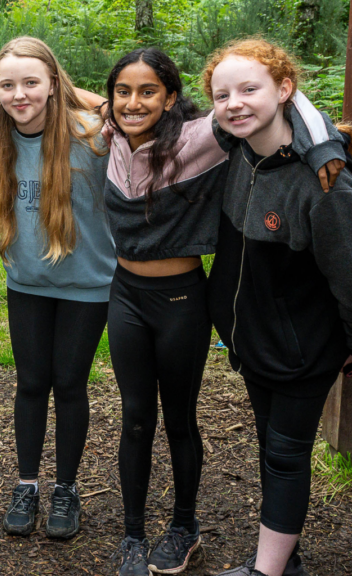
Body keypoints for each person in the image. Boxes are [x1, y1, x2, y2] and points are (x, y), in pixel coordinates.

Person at [99, 48, 345, 576]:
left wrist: (323, 141)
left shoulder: (205, 140)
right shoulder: (113, 134)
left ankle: (186, 528)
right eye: (123, 92)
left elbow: (278, 97)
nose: (133, 101)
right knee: (136, 420)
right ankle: (134, 536)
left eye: (148, 92)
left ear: (171, 98)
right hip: (132, 298)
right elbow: (60, 93)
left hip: (184, 301)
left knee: (184, 421)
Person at [203, 39, 352, 576]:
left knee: (285, 457)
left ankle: (267, 571)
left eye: (250, 89)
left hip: (301, 351)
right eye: (223, 94)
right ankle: (283, 559)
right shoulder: (238, 149)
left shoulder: (324, 182)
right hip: (255, 342)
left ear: (285, 89)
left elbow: (349, 272)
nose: (235, 103)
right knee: (272, 449)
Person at [0, 37, 114, 540]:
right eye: (8, 84)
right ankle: (27, 485)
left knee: (69, 384)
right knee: (32, 383)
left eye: (32, 82)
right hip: (28, 283)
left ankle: (67, 489)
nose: (20, 94)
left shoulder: (94, 136)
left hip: (88, 285)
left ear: (55, 84)